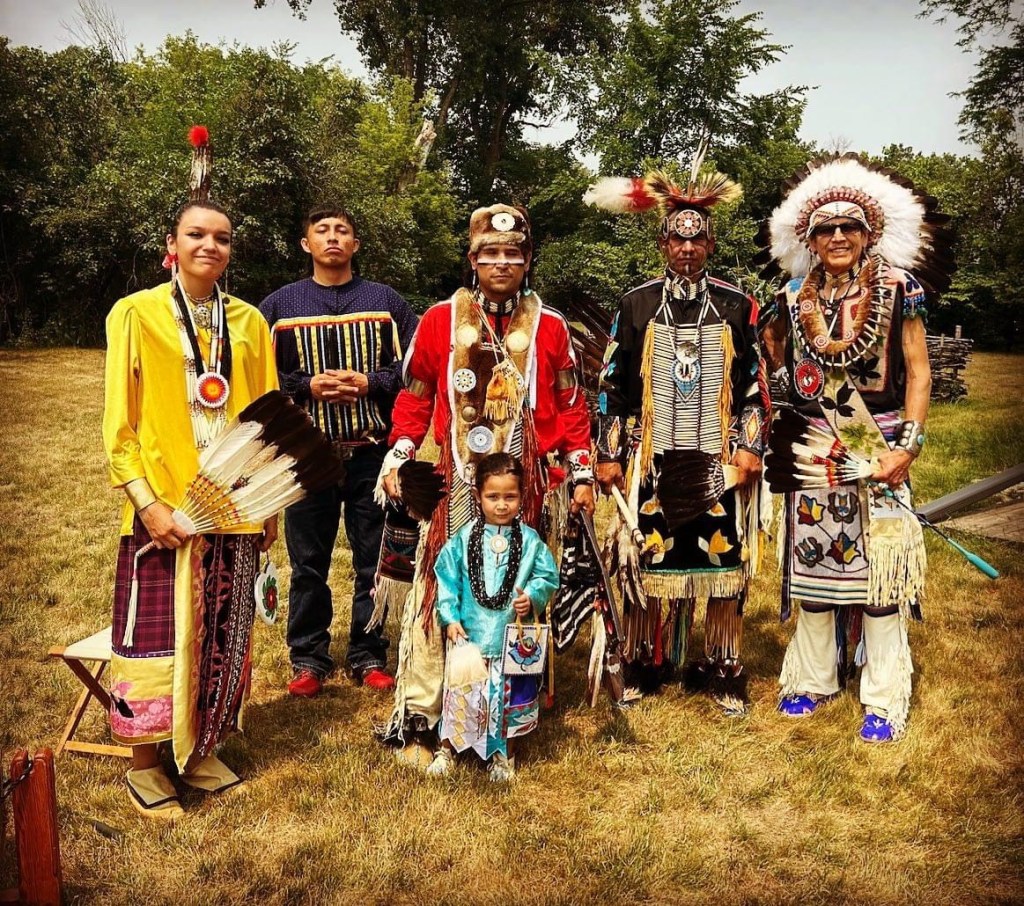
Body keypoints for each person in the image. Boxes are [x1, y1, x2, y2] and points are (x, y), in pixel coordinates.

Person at [377, 203, 594, 765]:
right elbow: (416, 395)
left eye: (513, 254)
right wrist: (401, 452)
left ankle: (508, 714)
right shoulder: (439, 321)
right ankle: (428, 714)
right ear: (472, 259)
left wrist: (582, 468)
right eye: (490, 253)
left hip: (525, 486)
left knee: (517, 589)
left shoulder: (549, 326)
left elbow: (571, 403)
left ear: (526, 262)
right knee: (443, 586)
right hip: (456, 481)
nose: (502, 262)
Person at [103, 129, 278, 819]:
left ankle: (201, 749)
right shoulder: (138, 313)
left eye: (224, 238)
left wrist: (266, 509)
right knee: (151, 640)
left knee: (225, 633)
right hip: (164, 510)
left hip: (231, 506)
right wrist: (147, 505)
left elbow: (266, 420)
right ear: (172, 246)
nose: (211, 246)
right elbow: (119, 427)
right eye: (197, 234)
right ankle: (145, 763)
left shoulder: (250, 322)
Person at [757, 154, 954, 742]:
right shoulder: (793, 297)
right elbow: (779, 365)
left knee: (882, 580)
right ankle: (814, 680)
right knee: (816, 574)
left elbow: (919, 375)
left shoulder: (899, 289)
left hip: (882, 442)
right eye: (825, 228)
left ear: (870, 233)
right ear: (810, 239)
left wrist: (906, 449)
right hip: (816, 451)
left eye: (849, 227)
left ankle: (884, 696)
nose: (838, 236)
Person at [585, 165, 770, 709]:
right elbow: (613, 385)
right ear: (663, 243)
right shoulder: (636, 304)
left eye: (697, 239)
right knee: (648, 556)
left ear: (710, 243)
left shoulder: (738, 305)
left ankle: (721, 666)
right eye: (677, 238)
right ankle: (647, 660)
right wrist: (612, 453)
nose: (687, 248)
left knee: (722, 562)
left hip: (717, 454)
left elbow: (755, 383)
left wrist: (749, 444)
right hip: (653, 455)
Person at [259, 205, 418, 697]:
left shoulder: (385, 301)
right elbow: (259, 378)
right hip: (307, 454)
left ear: (356, 244)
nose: (333, 237)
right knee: (309, 561)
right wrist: (307, 386)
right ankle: (308, 658)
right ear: (305, 243)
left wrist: (371, 381)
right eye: (322, 230)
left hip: (372, 451)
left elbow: (416, 368)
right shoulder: (280, 306)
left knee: (374, 556)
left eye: (343, 231)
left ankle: (369, 652)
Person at [428, 453, 558, 782]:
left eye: (510, 497)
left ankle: (503, 754)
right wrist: (450, 617)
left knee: (507, 697)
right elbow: (446, 577)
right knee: (461, 692)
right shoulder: (464, 538)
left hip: (509, 637)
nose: (501, 505)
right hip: (470, 636)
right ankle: (448, 749)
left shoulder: (530, 542)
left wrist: (533, 597)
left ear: (522, 496)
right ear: (478, 496)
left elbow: (546, 577)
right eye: (493, 497)